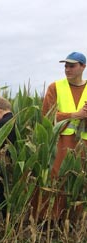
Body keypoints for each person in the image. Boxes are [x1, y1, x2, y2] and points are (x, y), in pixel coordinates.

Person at [41, 51, 87, 221]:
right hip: (60, 143)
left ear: (83, 67)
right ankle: (52, 221)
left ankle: (77, 223)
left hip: (83, 144)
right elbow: (46, 116)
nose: (67, 69)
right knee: (56, 179)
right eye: (66, 66)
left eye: (72, 66)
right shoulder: (55, 87)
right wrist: (75, 115)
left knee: (80, 182)